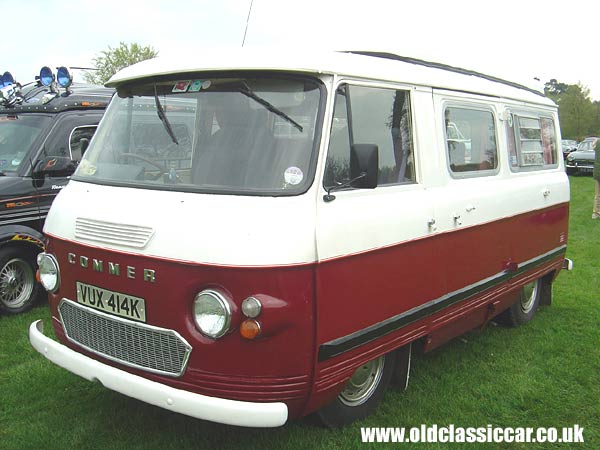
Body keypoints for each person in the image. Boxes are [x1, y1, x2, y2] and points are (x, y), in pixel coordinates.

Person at [593, 139, 600, 219]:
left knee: (597, 194)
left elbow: (594, 147)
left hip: (597, 171)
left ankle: (595, 213)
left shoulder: (596, 141)